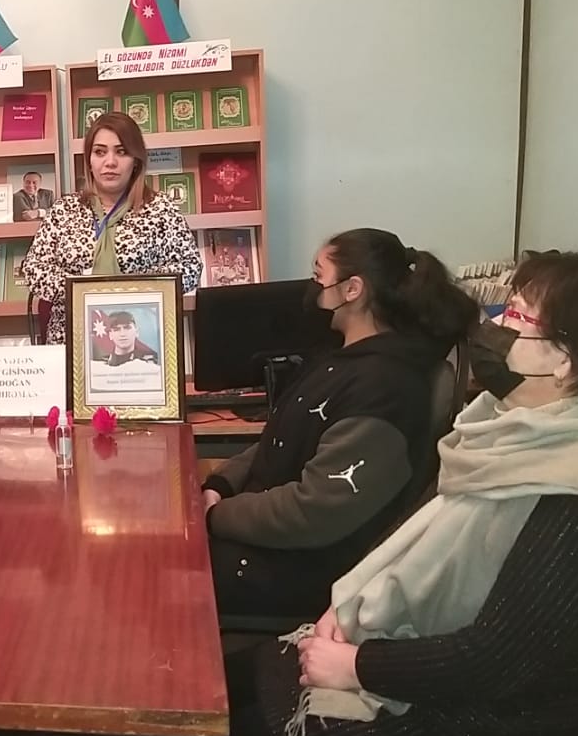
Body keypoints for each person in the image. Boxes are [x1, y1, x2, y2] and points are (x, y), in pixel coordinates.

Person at [228, 250, 578, 736]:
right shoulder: (498, 435)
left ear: (568, 358)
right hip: (416, 662)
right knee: (234, 680)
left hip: (477, 735)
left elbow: (496, 661)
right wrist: (345, 611)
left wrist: (355, 665)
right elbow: (407, 550)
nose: (492, 327)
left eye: (514, 315)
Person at [201, 228, 478, 618]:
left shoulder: (386, 386)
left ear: (352, 290)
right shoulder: (342, 360)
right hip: (266, 545)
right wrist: (220, 485)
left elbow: (313, 510)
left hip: (297, 572)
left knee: (151, 574)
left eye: (319, 276)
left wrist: (217, 517)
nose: (312, 289)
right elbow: (280, 439)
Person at [21, 111, 202, 345]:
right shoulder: (64, 210)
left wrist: (132, 288)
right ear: (89, 160)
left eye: (121, 151)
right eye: (100, 152)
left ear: (136, 160)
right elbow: (34, 268)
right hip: (71, 340)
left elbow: (190, 267)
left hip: (141, 335)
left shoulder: (161, 209)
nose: (110, 162)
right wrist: (81, 288)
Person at [95, 311, 160, 365]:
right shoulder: (101, 365)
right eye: (116, 329)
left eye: (127, 328)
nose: (122, 334)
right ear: (110, 335)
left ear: (137, 332)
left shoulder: (150, 363)